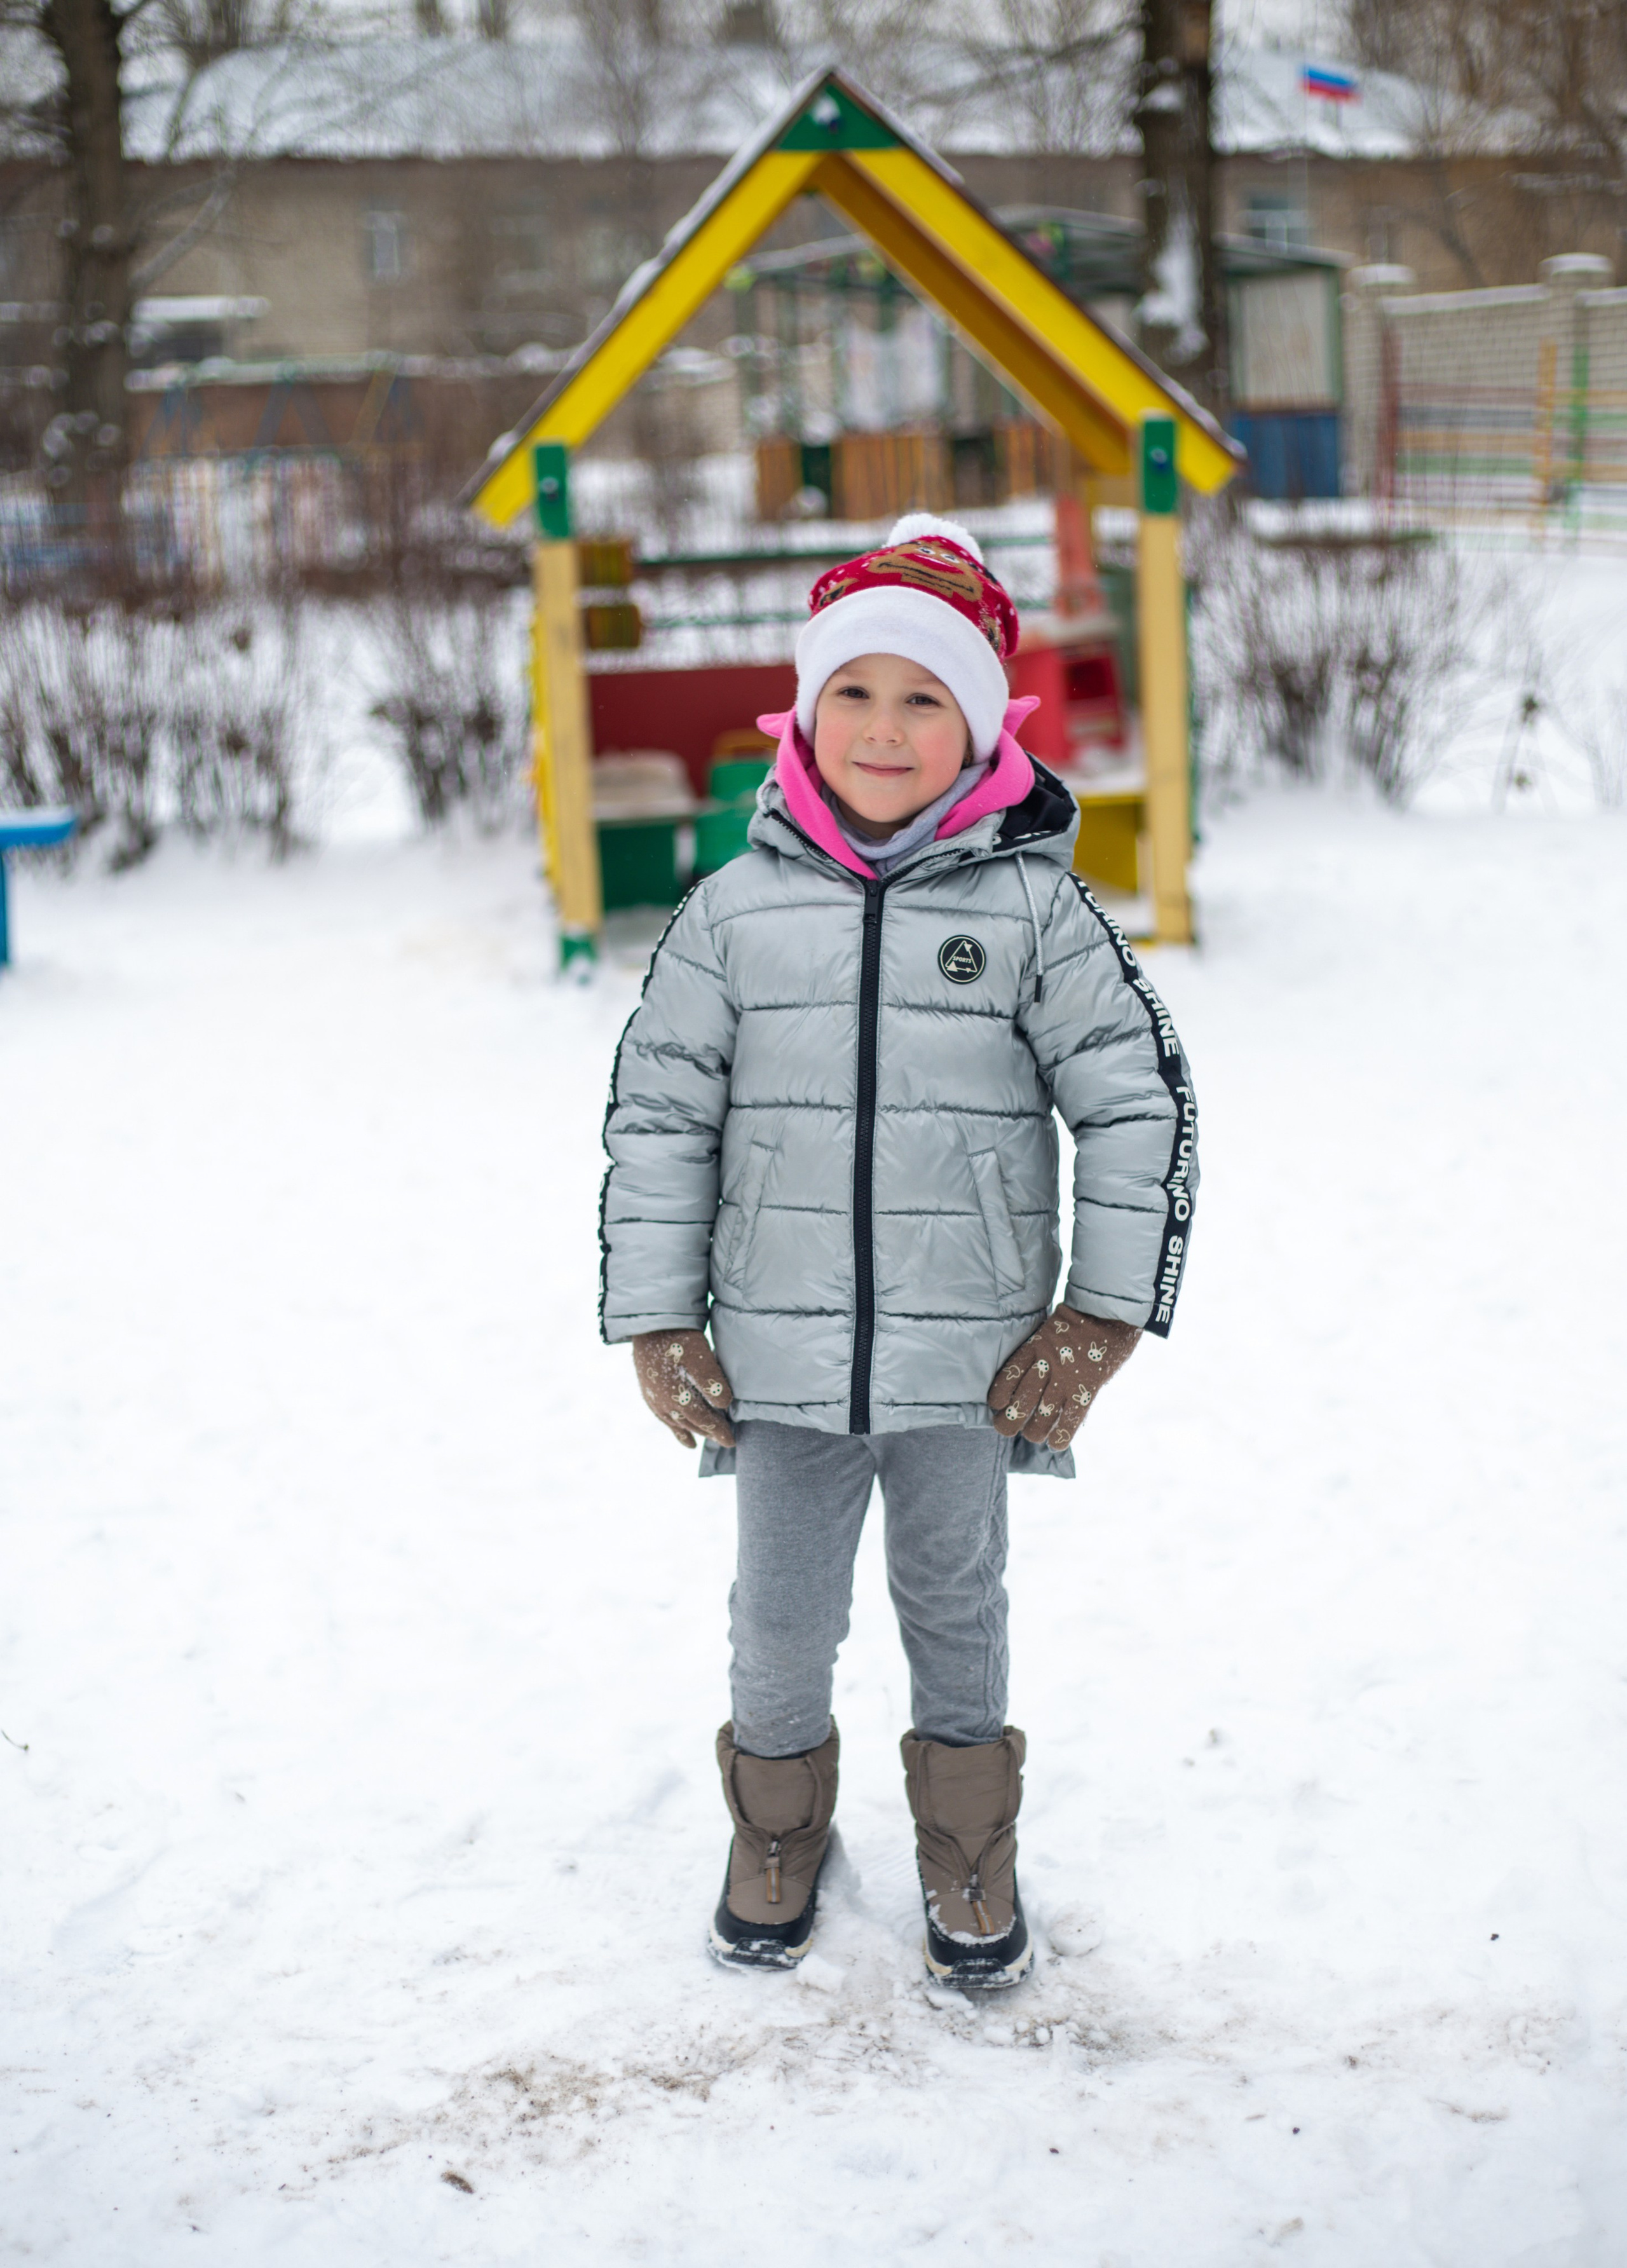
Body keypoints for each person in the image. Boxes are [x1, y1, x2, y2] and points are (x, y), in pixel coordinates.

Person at [600, 515, 1198, 1991]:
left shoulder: (1035, 914)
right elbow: (659, 1112)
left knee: (955, 1608)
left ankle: (967, 1840)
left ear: (980, 726)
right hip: (779, 1356)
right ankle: (778, 1828)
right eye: (852, 693)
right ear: (802, 714)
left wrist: (1101, 1315)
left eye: (923, 697)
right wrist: (657, 1317)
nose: (883, 727)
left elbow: (1135, 1103)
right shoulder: (731, 911)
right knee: (780, 1619)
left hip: (968, 1360)